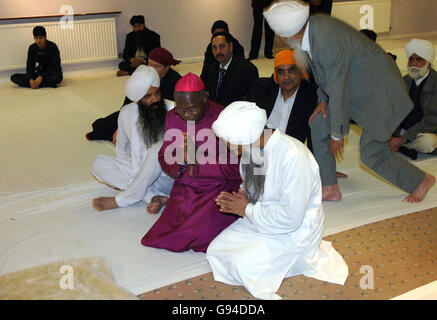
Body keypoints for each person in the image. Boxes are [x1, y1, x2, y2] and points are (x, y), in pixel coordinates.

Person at [264, 1, 435, 203]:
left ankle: (421, 180)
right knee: (318, 122)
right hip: (354, 90)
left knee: (372, 154)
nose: (284, 40)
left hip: (379, 93)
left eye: (283, 38)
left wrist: (337, 134)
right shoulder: (312, 30)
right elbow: (324, 77)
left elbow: (337, 86)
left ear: (289, 34)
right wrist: (322, 100)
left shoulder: (326, 41)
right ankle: (329, 186)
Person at [207, 101, 348, 300]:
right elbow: (250, 187)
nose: (226, 145)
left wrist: (246, 209)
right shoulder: (252, 149)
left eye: (228, 141)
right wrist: (241, 197)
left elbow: (291, 219)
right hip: (262, 218)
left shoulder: (293, 156)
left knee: (243, 265)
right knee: (217, 249)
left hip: (294, 232)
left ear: (245, 137)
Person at [141, 73, 242, 253]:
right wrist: (181, 159)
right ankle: (169, 199)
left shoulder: (224, 117)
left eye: (191, 109)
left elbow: (236, 168)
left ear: (205, 98)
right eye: (181, 109)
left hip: (219, 186)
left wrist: (198, 160)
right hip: (187, 184)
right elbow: (164, 155)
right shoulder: (173, 116)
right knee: (164, 233)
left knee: (200, 233)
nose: (185, 115)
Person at [91, 65, 174, 213]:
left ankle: (123, 199)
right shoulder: (126, 113)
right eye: (148, 96)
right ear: (138, 99)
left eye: (156, 93)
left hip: (166, 176)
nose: (155, 99)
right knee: (98, 163)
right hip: (137, 172)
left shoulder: (172, 109)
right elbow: (122, 151)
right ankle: (153, 196)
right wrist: (136, 171)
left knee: (158, 149)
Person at [86, 47, 181, 142]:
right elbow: (129, 100)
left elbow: (171, 111)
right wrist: (122, 125)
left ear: (167, 67)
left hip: (156, 118)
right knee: (101, 125)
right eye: (149, 64)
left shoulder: (176, 81)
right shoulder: (145, 73)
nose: (152, 69)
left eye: (157, 66)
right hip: (138, 110)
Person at [245, 49, 316, 147]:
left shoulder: (311, 97)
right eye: (281, 72)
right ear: (276, 75)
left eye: (291, 70)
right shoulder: (261, 88)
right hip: (257, 145)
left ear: (300, 71)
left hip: (288, 152)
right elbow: (242, 115)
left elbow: (315, 140)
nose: (286, 77)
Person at [390, 39, 437, 156]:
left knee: (428, 142)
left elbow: (432, 120)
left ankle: (401, 144)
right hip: (406, 130)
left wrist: (403, 139)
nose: (413, 64)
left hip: (428, 131)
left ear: (429, 62)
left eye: (419, 59)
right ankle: (398, 143)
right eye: (411, 59)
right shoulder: (406, 80)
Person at [201, 32, 259, 107]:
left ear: (231, 47)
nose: (218, 51)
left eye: (222, 46)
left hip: (236, 114)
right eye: (214, 47)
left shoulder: (248, 70)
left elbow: (248, 102)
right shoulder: (210, 68)